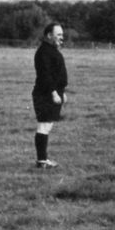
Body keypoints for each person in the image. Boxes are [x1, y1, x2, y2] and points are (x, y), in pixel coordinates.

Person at [32, 23, 68, 169]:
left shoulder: (51, 50)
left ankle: (43, 160)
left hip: (52, 93)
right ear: (49, 35)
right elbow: (45, 75)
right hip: (45, 94)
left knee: (47, 126)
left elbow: (56, 74)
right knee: (44, 126)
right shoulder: (43, 52)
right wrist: (53, 93)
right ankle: (42, 161)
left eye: (62, 34)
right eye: (58, 34)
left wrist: (62, 92)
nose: (61, 37)